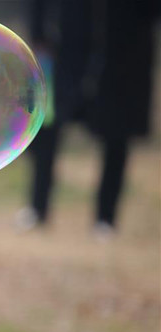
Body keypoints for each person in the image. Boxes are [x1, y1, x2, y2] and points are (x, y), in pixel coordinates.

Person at [17, 0, 158, 238]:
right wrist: (38, 33)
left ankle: (106, 219)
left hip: (122, 51)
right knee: (45, 126)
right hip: (64, 47)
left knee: (116, 134)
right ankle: (37, 208)